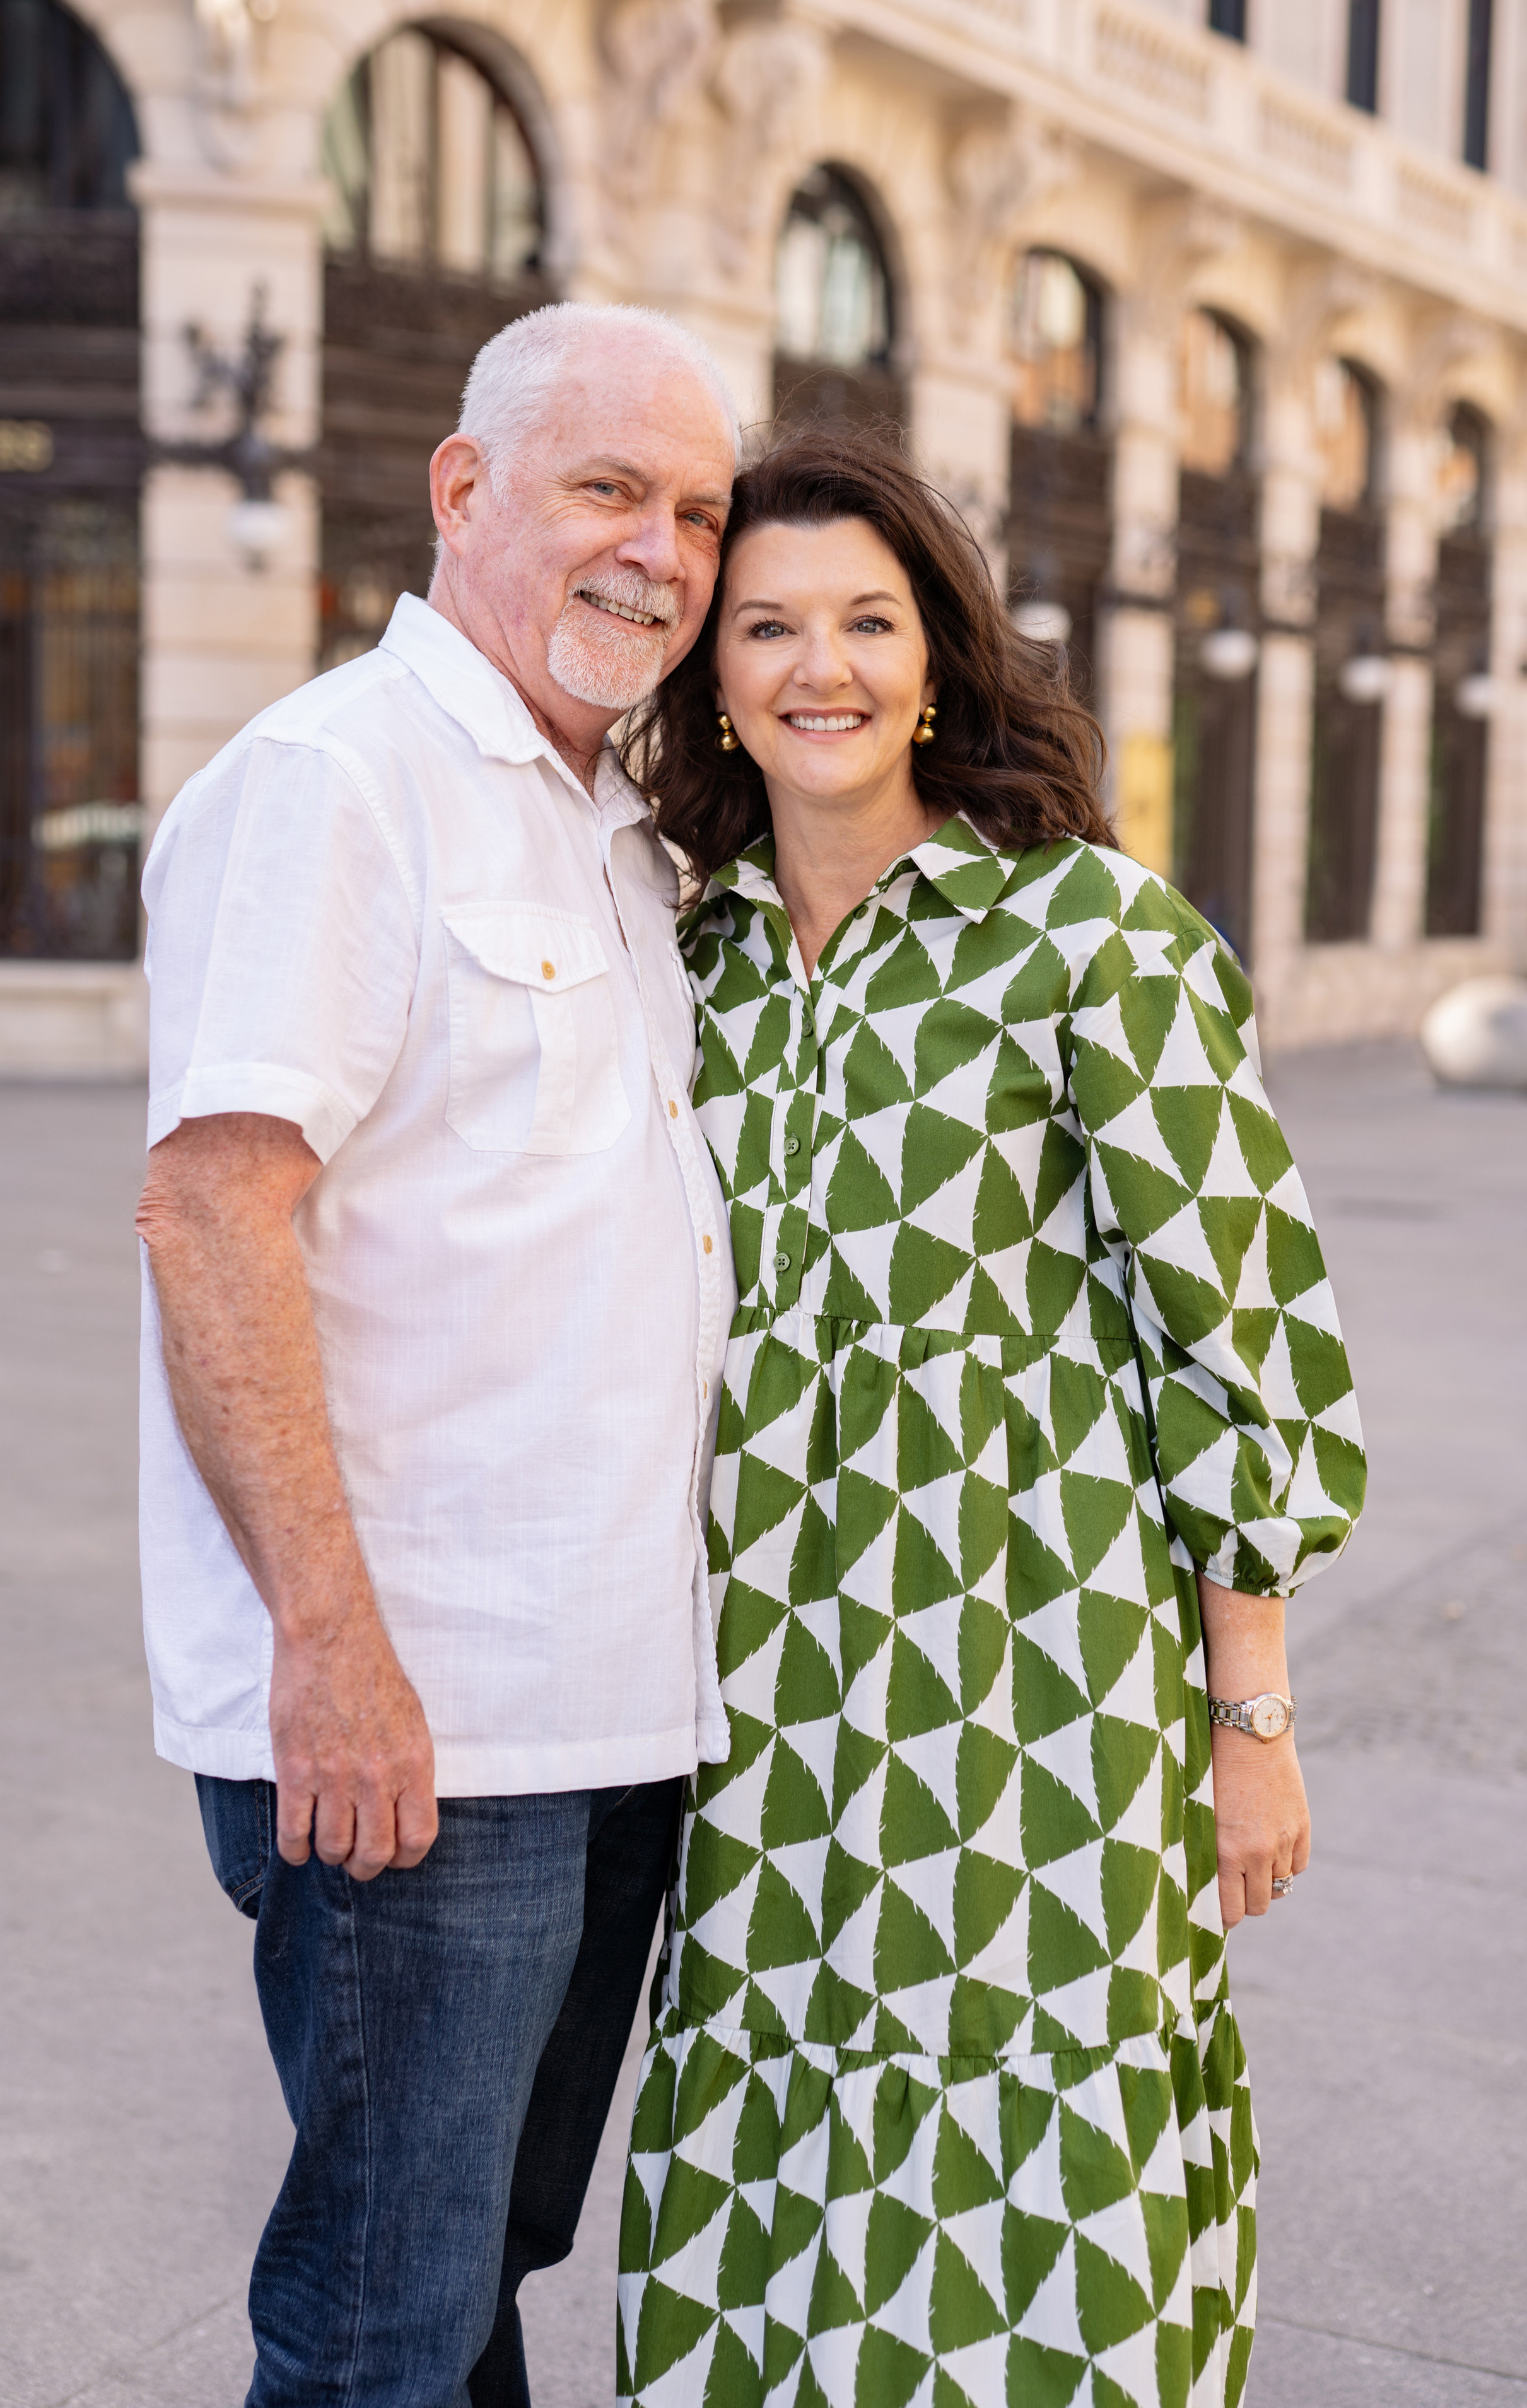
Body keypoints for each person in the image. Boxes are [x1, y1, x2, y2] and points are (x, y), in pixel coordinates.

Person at [614, 431, 1366, 2408]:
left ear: (937, 655)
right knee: (775, 2152)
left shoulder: (1092, 940)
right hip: (760, 1701)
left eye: (866, 619)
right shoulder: (683, 967)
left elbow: (1242, 1334)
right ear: (712, 672)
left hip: (1037, 1691)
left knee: (1038, 2181)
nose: (819, 667)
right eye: (767, 626)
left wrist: (1251, 1715)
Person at [134, 303, 741, 2406]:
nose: (660, 549)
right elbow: (211, 1213)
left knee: (483, 2255)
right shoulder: (336, 782)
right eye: (607, 488)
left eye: (696, 509)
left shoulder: (615, 831)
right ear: (463, 492)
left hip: (609, 1711)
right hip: (418, 1727)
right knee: (385, 2311)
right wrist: (331, 1647)